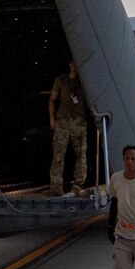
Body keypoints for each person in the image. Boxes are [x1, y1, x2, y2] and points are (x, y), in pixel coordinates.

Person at [47, 62, 89, 195]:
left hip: (78, 121)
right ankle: (56, 186)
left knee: (81, 154)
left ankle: (78, 184)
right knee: (58, 154)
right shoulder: (61, 80)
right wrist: (52, 118)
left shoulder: (84, 81)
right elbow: (52, 99)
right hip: (63, 121)